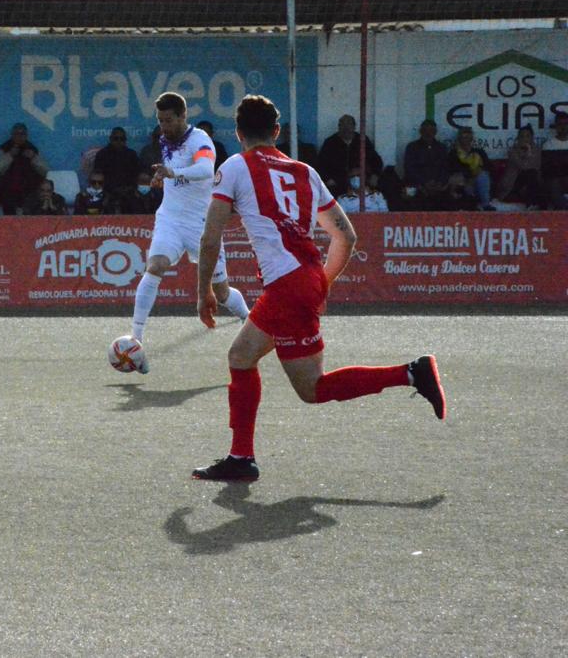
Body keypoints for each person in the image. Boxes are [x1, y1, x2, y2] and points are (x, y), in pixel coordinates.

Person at [192, 94, 446, 482]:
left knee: (313, 389)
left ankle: (411, 373)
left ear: (238, 133)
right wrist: (319, 284)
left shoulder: (235, 167)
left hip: (287, 286)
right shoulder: (304, 171)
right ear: (276, 132)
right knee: (241, 355)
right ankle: (241, 457)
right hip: (303, 280)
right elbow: (346, 237)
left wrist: (204, 292)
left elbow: (210, 238)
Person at [125, 91, 249, 373]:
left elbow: (205, 170)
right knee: (155, 266)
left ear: (183, 116)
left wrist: (172, 173)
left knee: (222, 293)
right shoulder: (165, 139)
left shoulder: (201, 140)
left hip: (201, 226)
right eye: (160, 121)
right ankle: (137, 341)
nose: (164, 126)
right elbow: (173, 171)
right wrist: (163, 176)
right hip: (170, 220)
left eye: (168, 120)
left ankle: (250, 320)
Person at [317, 114, 383, 197]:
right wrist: (327, 179)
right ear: (339, 127)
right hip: (339, 181)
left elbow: (376, 160)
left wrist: (375, 174)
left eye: (349, 124)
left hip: (362, 181)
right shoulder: (330, 143)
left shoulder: (362, 140)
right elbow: (321, 164)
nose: (346, 128)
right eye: (343, 125)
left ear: (354, 127)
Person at [0, 122, 49, 215]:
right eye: (17, 134)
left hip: (29, 187)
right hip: (8, 189)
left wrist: (34, 158)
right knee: (8, 197)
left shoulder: (32, 149)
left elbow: (44, 171)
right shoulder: (4, 148)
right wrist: (9, 155)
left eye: (22, 134)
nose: (19, 137)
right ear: (12, 135)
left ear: (26, 135)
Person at [401, 119, 450, 210]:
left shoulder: (441, 148)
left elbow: (445, 168)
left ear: (435, 132)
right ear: (420, 131)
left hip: (438, 185)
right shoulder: (412, 147)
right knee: (411, 197)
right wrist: (423, 183)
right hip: (417, 184)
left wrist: (439, 183)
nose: (428, 133)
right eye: (425, 130)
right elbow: (409, 168)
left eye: (431, 131)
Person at [447, 126, 495, 211]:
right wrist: (469, 177)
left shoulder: (479, 152)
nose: (466, 138)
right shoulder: (453, 153)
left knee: (483, 176)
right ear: (459, 138)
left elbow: (488, 167)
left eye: (468, 135)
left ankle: (486, 205)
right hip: (463, 183)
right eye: (464, 135)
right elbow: (453, 169)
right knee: (460, 180)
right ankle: (471, 205)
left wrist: (476, 174)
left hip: (478, 182)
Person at [93, 126, 142, 208]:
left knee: (137, 203)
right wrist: (111, 189)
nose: (119, 141)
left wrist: (129, 189)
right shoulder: (102, 154)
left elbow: (136, 175)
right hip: (107, 191)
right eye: (116, 138)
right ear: (110, 139)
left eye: (122, 139)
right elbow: (98, 175)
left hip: (128, 191)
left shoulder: (131, 155)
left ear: (125, 140)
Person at [495, 125, 542, 206]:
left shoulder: (537, 151)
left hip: (529, 187)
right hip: (512, 188)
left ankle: (534, 205)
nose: (525, 139)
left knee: (533, 176)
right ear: (518, 138)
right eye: (522, 136)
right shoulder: (513, 151)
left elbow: (536, 167)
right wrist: (528, 153)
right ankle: (532, 204)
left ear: (532, 138)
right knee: (530, 173)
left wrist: (529, 152)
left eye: (527, 136)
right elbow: (524, 167)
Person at [541, 111, 568, 210]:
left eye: (566, 124)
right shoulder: (549, 145)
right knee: (553, 184)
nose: (563, 127)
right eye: (560, 124)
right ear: (556, 126)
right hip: (556, 179)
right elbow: (546, 169)